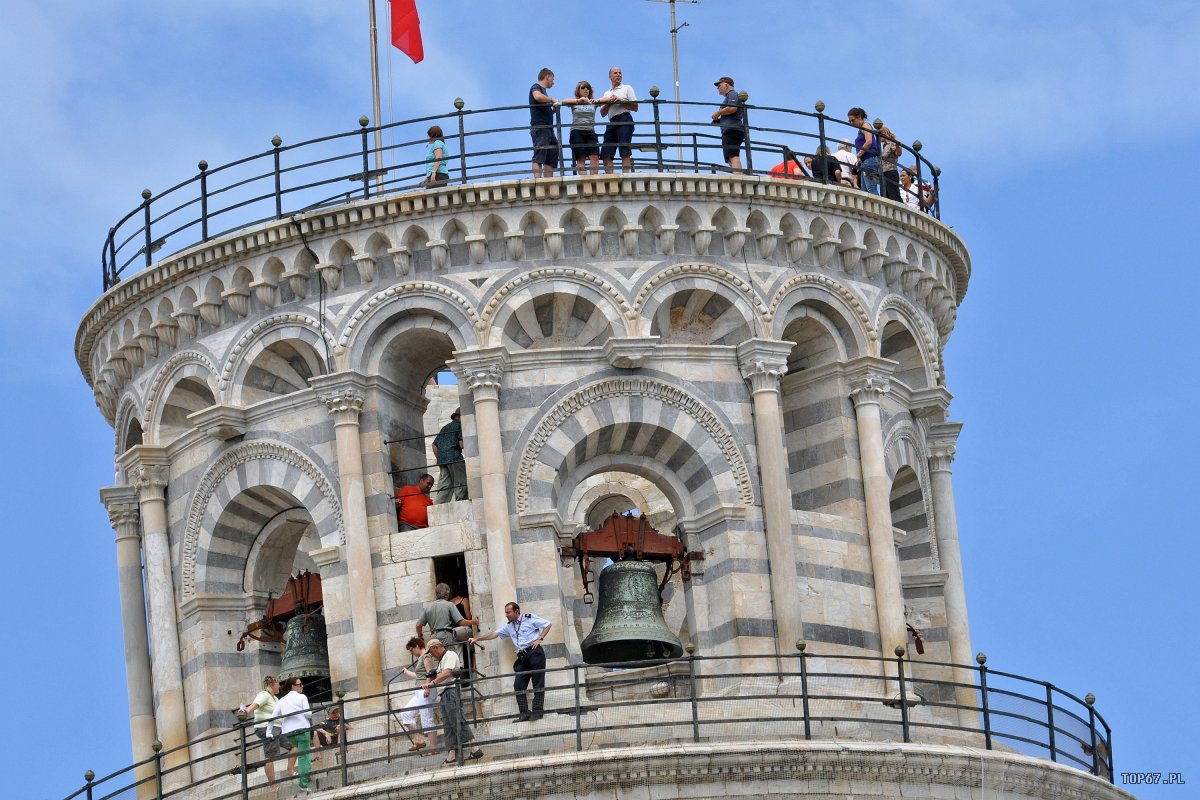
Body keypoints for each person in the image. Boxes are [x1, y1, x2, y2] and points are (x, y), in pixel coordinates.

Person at [469, 602, 552, 722]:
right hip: (522, 657)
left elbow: (548, 624)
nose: (506, 615)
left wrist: (540, 639)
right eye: (505, 612)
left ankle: (537, 712)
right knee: (518, 685)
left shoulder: (529, 618)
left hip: (534, 653)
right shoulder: (509, 626)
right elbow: (494, 634)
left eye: (508, 612)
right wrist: (477, 638)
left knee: (538, 683)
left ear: (517, 611)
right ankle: (524, 713)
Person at [422, 638, 483, 765]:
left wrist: (432, 682)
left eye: (431, 652)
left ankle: (475, 748)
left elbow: (447, 673)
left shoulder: (450, 655)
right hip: (444, 694)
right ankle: (451, 755)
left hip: (451, 692)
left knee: (457, 719)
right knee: (448, 725)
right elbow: (441, 674)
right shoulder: (440, 662)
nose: (431, 656)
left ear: (436, 647)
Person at [397, 637, 439, 751]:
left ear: (416, 646)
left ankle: (434, 748)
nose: (412, 653)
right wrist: (407, 672)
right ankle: (419, 740)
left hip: (425, 690)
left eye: (411, 650)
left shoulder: (426, 656)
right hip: (420, 691)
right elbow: (420, 675)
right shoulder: (422, 657)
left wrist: (427, 687)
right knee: (405, 714)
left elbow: (430, 673)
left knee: (426, 718)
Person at [270, 676, 313, 790]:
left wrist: (268, 732)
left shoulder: (282, 700)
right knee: (304, 757)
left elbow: (273, 716)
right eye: (300, 684)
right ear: (293, 686)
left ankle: (307, 772)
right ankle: (303, 784)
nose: (302, 686)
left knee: (301, 753)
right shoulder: (302, 697)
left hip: (289, 734)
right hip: (302, 730)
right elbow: (308, 714)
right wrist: (306, 714)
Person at [242, 675, 282, 786]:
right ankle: (273, 786)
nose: (279, 685)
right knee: (270, 756)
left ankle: (290, 770)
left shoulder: (276, 699)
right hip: (265, 727)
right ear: (272, 685)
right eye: (278, 683)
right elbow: (253, 706)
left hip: (278, 728)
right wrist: (244, 713)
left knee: (293, 744)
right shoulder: (264, 695)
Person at [597, 66, 638, 174]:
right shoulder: (607, 93)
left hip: (624, 118)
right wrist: (609, 102)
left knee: (624, 150)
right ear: (610, 76)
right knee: (605, 153)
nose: (618, 75)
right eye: (615, 73)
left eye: (620, 73)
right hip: (612, 121)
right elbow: (602, 113)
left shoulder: (627, 88)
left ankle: (626, 176)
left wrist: (620, 100)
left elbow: (635, 107)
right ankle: (611, 179)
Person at [417, 582, 480, 648]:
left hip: (433, 638)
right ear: (447, 594)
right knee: (452, 655)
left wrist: (420, 636)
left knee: (440, 658)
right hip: (445, 636)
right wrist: (473, 622)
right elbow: (460, 622)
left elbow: (418, 625)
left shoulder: (428, 607)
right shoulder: (449, 605)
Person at [561, 80, 600, 175]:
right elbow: (564, 101)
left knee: (595, 157)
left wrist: (597, 101)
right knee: (581, 159)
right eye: (583, 87)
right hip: (577, 132)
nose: (586, 89)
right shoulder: (575, 103)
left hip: (590, 132)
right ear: (578, 90)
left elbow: (607, 99)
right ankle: (585, 182)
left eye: (588, 88)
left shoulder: (593, 103)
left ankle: (593, 181)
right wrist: (579, 100)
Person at [528, 67, 560, 178]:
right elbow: (537, 97)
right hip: (540, 126)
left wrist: (553, 110)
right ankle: (538, 182)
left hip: (548, 128)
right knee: (539, 153)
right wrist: (551, 100)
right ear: (547, 77)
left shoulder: (544, 92)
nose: (553, 82)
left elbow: (544, 110)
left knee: (552, 153)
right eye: (552, 79)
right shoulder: (536, 87)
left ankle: (548, 183)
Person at [710, 77, 745, 174]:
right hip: (729, 129)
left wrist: (718, 113)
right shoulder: (729, 96)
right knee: (729, 156)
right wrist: (717, 119)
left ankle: (738, 177)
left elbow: (733, 108)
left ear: (726, 85)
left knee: (733, 154)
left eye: (719, 85)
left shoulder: (732, 94)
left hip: (733, 129)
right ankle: (738, 174)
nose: (718, 88)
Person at [430, 410, 466, 504]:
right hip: (454, 457)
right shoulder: (460, 426)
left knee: (445, 485)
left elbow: (434, 445)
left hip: (442, 460)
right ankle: (461, 503)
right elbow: (462, 445)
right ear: (460, 416)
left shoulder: (445, 428)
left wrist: (440, 458)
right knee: (460, 481)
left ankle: (439, 505)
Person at [848, 107, 880, 194]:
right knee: (866, 190)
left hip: (869, 159)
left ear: (859, 117)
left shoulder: (865, 125)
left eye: (852, 120)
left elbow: (869, 141)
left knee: (870, 189)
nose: (851, 123)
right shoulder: (861, 128)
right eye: (849, 121)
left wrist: (859, 155)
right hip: (866, 161)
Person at [878, 123, 902, 201]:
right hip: (884, 172)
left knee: (893, 194)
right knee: (885, 195)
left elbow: (898, 154)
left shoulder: (892, 143)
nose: (879, 137)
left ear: (885, 133)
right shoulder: (883, 146)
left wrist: (898, 146)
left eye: (880, 134)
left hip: (891, 171)